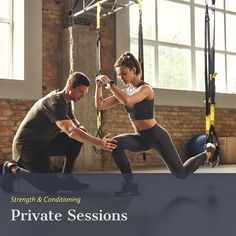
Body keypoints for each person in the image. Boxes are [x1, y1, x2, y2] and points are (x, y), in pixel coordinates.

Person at [95, 52, 217, 197]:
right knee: (115, 144)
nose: (121, 78)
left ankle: (209, 152)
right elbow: (100, 105)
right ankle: (130, 185)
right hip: (140, 137)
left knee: (181, 173)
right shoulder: (125, 91)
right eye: (119, 75)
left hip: (156, 135)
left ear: (133, 70)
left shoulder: (146, 89)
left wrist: (110, 84)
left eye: (124, 74)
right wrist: (99, 87)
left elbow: (127, 100)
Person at [4, 72, 117, 191]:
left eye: (85, 92)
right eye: (81, 91)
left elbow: (72, 119)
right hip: (27, 149)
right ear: (69, 88)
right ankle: (12, 169)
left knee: (76, 140)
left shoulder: (65, 100)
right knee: (51, 188)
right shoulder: (54, 102)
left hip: (44, 144)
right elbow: (70, 131)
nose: (83, 96)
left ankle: (67, 179)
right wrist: (100, 143)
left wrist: (79, 125)